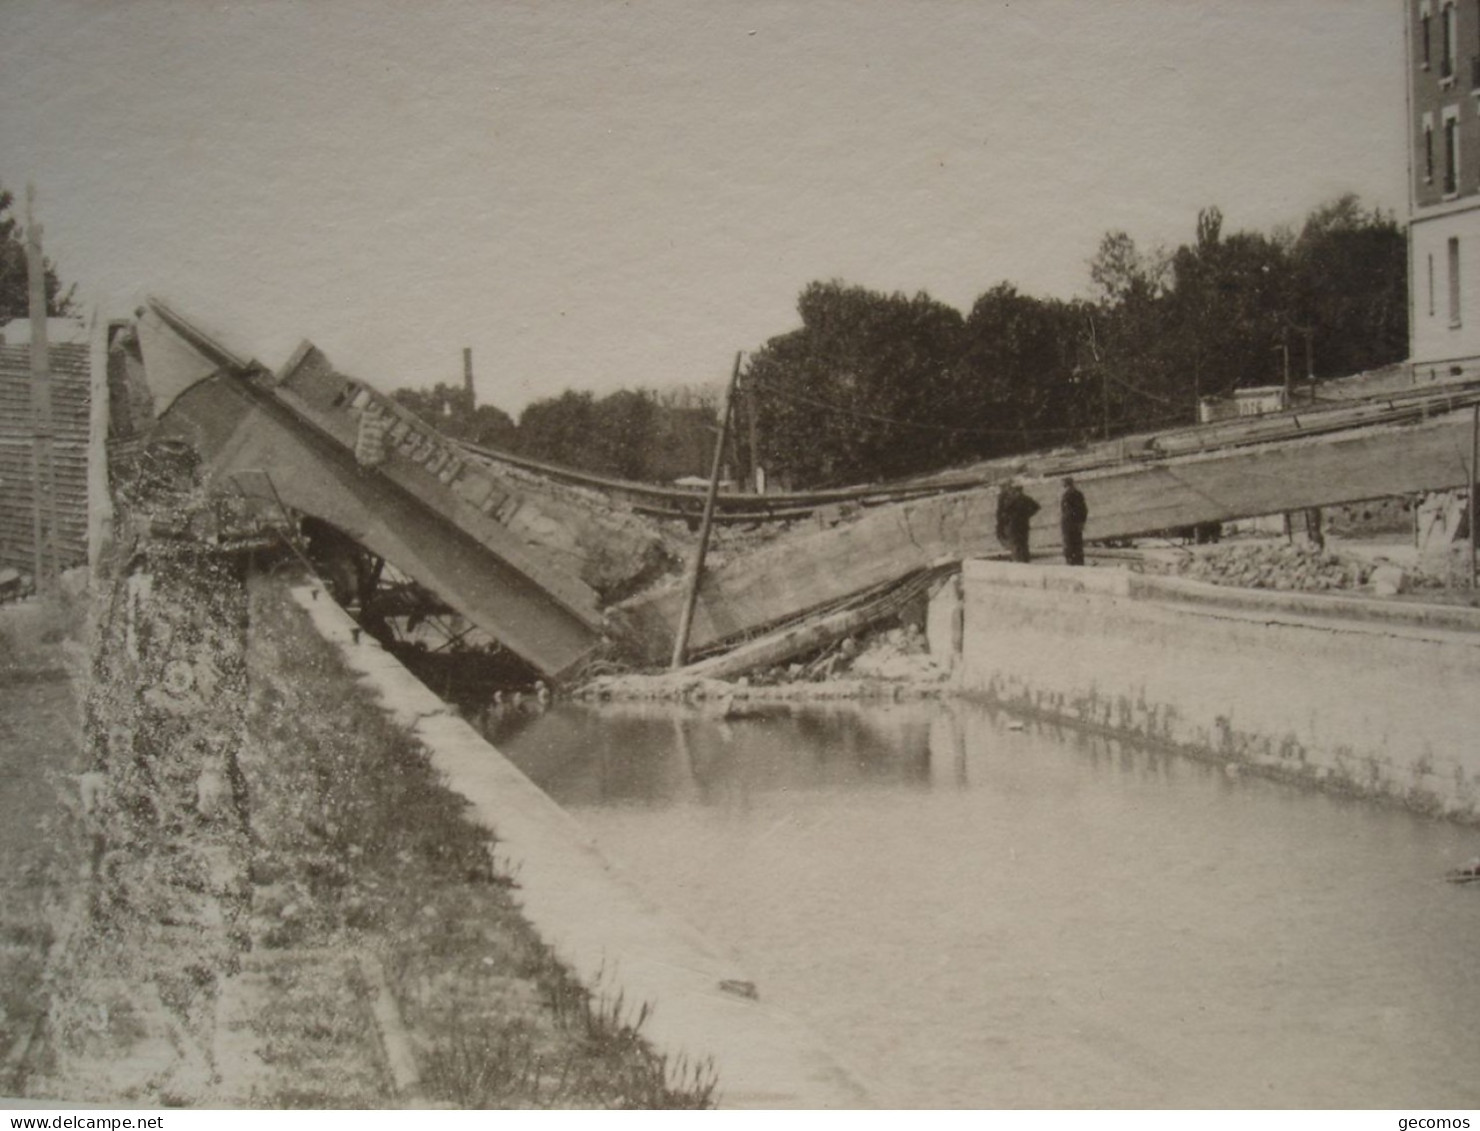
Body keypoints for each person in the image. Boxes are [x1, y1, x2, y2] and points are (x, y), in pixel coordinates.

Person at [995, 480, 1040, 563]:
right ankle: (1025, 561)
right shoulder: (1026, 498)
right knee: (1024, 544)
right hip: (1024, 525)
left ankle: (1019, 561)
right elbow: (1037, 507)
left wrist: (1007, 520)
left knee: (1016, 544)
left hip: (1014, 526)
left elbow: (1004, 512)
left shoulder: (1012, 500)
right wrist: (1027, 515)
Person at [1060, 476, 1088, 566]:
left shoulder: (1066, 495)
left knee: (1069, 544)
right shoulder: (1079, 494)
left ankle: (1071, 563)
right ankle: (1079, 562)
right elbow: (1084, 510)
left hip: (1068, 523)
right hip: (1077, 523)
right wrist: (1082, 521)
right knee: (1078, 544)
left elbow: (1065, 511)